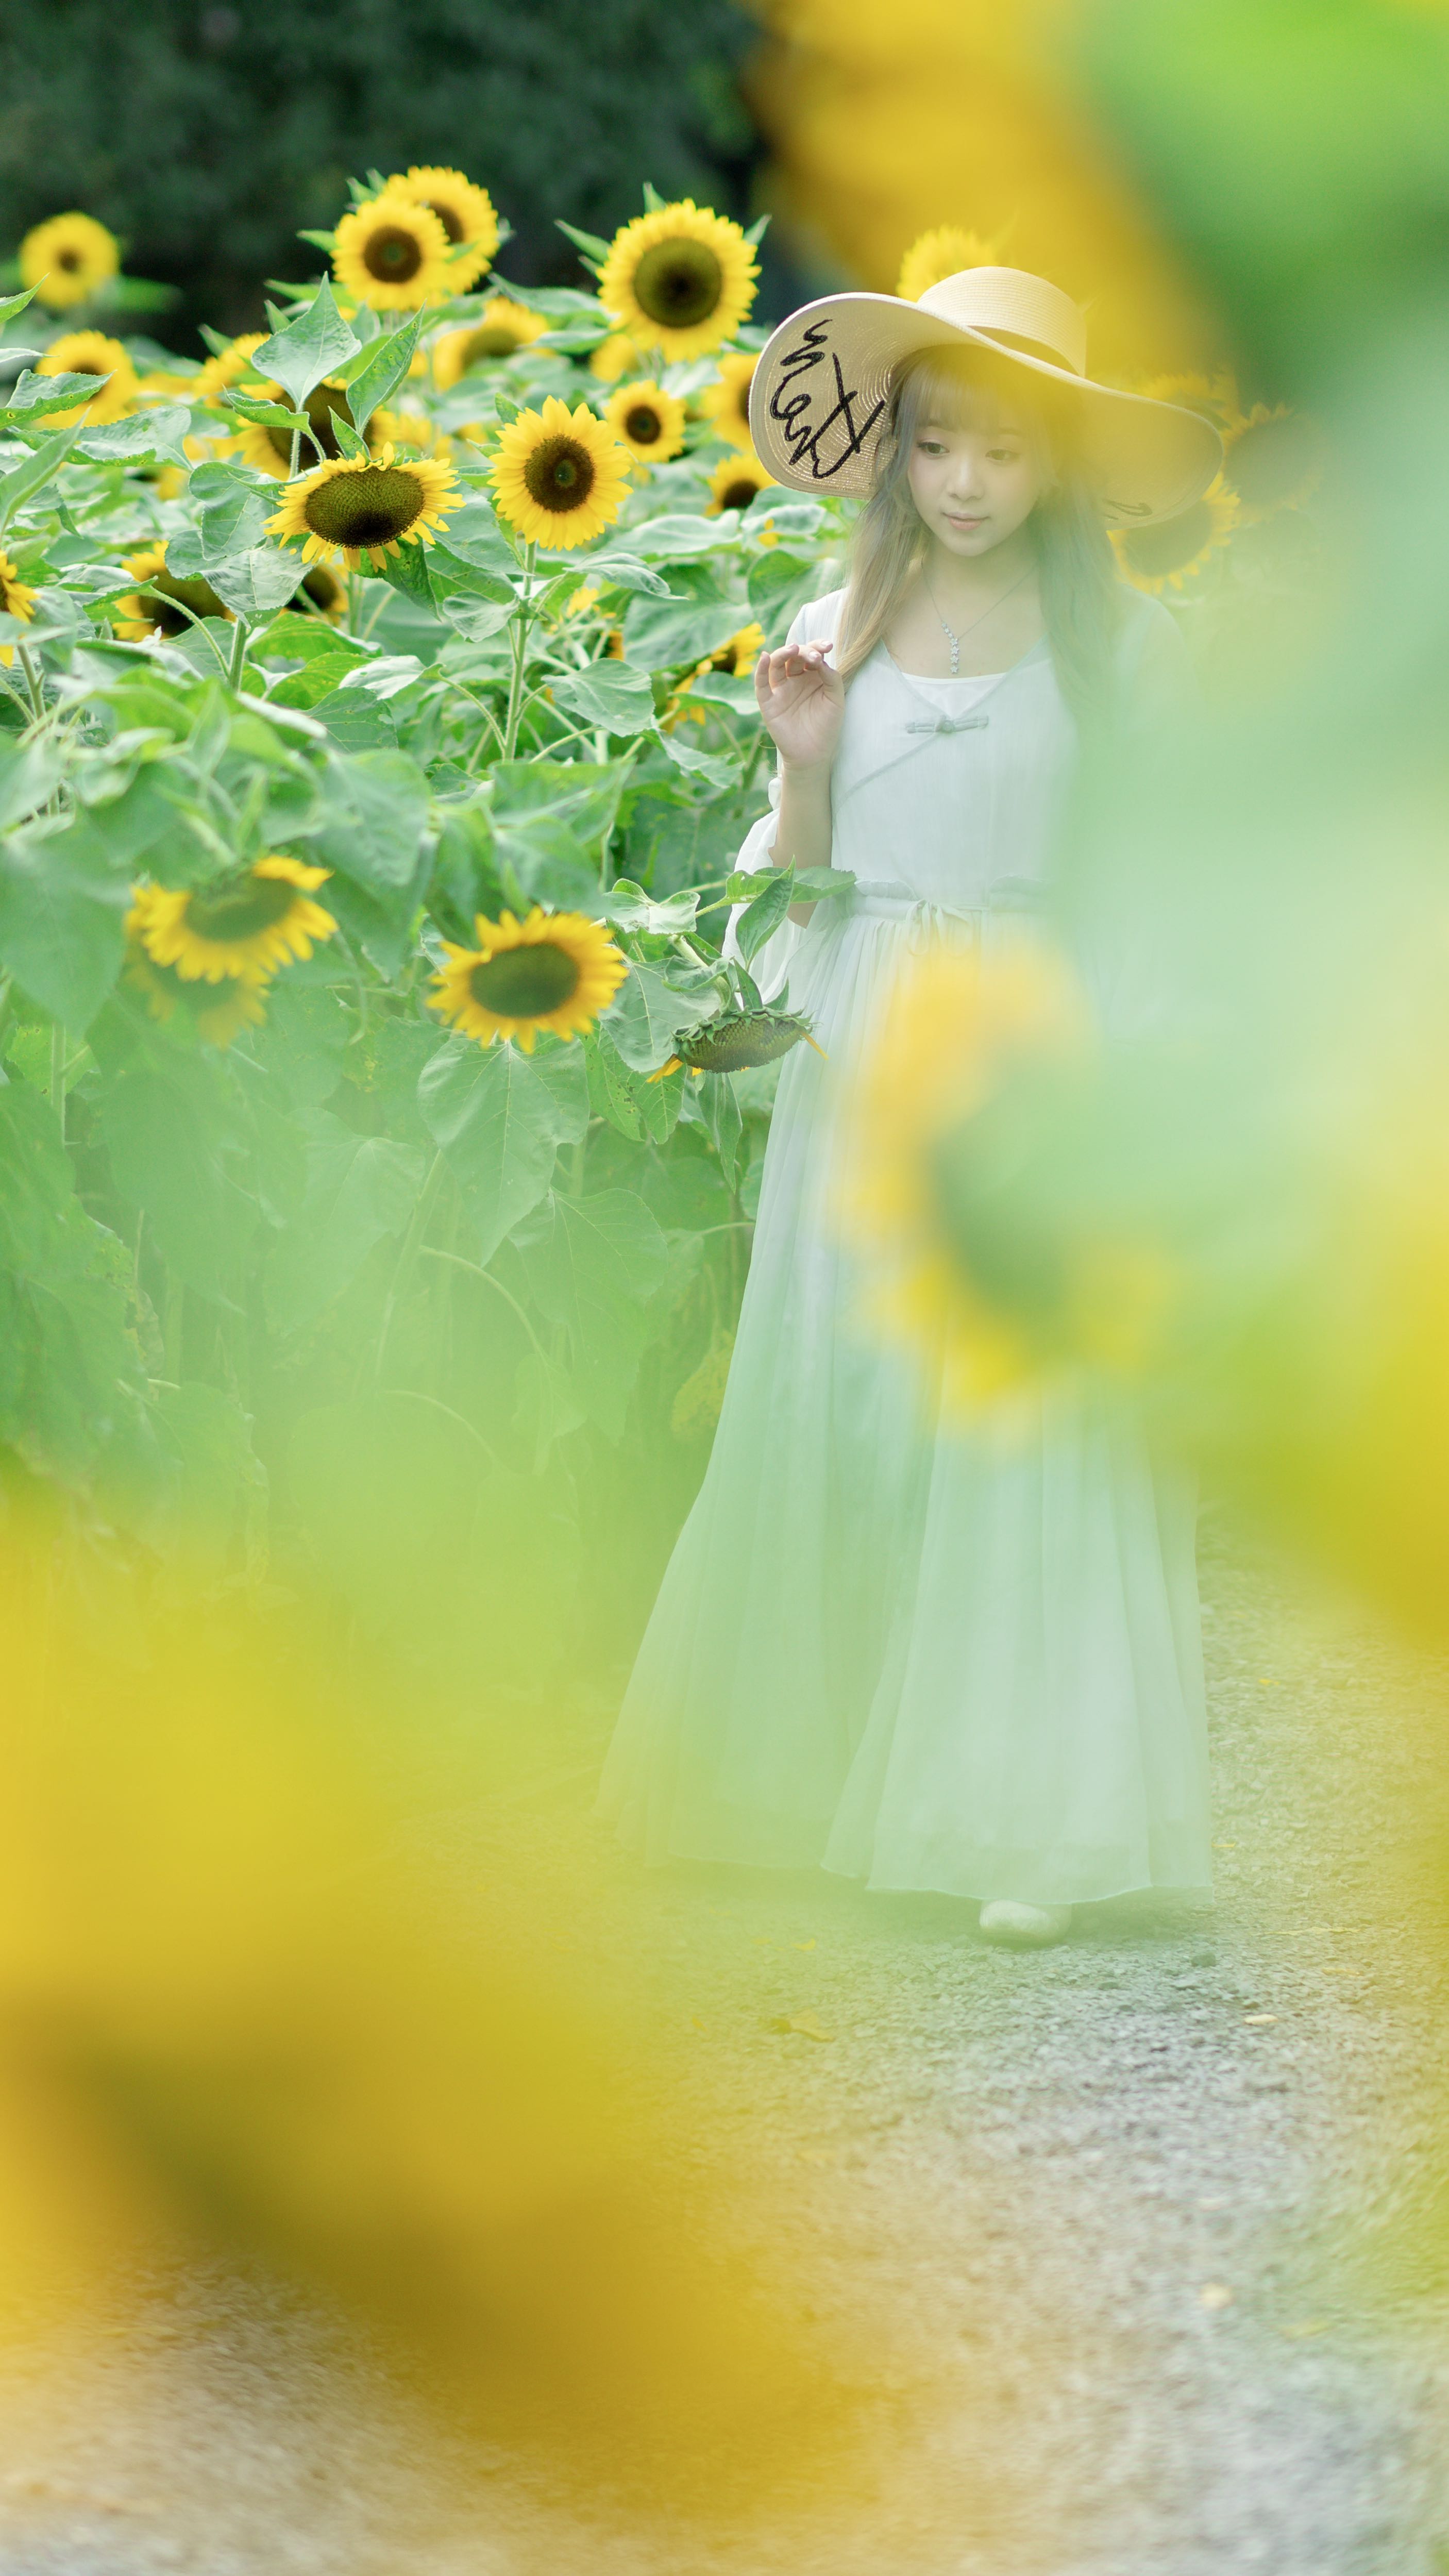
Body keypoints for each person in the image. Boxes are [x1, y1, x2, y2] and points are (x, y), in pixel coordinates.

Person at [599, 267, 1219, 1946]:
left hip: (1034, 1037)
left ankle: (1028, 1819)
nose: (963, 481)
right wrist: (800, 757)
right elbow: (790, 897)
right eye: (935, 444)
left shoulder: (1126, 653)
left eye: (1003, 451)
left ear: (1057, 467)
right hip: (867, 1038)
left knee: (1018, 1412)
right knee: (848, 1393)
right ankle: (802, 1793)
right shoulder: (833, 628)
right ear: (892, 450)